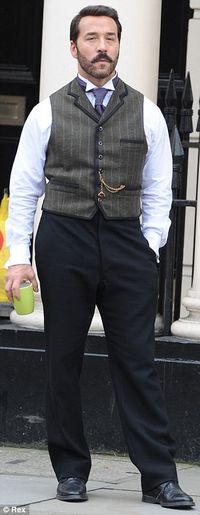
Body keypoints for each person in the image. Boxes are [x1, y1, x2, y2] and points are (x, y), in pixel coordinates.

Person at [5, 5, 194, 509]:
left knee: (137, 360)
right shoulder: (45, 111)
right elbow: (23, 191)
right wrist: (17, 259)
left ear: (118, 45)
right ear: (74, 48)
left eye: (110, 37)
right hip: (63, 238)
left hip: (127, 242)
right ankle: (70, 470)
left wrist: (149, 244)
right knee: (62, 358)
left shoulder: (148, 111)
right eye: (91, 37)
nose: (102, 46)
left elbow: (159, 187)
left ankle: (158, 477)